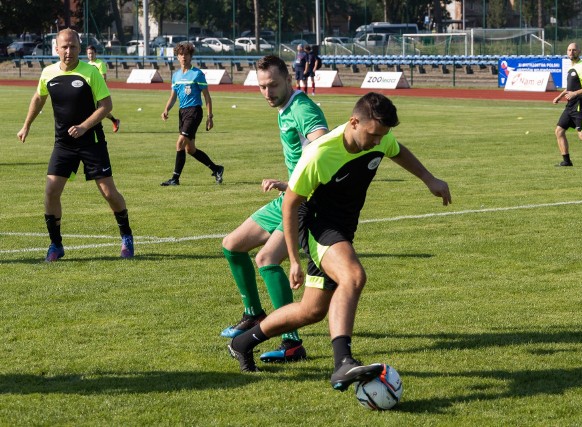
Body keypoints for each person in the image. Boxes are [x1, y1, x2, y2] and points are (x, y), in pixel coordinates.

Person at [228, 92, 451, 392]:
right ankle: (342, 362)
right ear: (354, 122)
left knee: (311, 311)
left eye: (381, 136)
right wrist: (293, 259)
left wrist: (429, 179)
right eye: (372, 135)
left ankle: (242, 342)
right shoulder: (320, 154)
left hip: (343, 227)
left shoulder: (380, 137)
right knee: (354, 276)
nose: (377, 142)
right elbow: (290, 205)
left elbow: (397, 150)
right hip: (318, 223)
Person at [221, 55, 328, 363]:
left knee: (266, 259)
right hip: (290, 195)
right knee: (232, 245)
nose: (267, 92)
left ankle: (291, 343)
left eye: (273, 85)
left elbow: (321, 145)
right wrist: (288, 183)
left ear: (289, 80)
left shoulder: (303, 108)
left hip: (305, 200)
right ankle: (254, 315)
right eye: (262, 87)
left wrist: (296, 184)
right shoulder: (285, 109)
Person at [16, 29, 134, 262]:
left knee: (109, 193)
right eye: (64, 47)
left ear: (79, 48)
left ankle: (127, 236)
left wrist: (83, 126)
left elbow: (106, 105)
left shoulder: (91, 72)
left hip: (92, 142)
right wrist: (26, 125)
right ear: (56, 49)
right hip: (63, 144)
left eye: (73, 47)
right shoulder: (48, 73)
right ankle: (56, 245)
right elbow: (39, 98)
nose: (68, 51)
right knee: (51, 192)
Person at [160, 41, 224, 186]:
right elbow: (173, 96)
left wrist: (210, 116)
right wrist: (166, 110)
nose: (184, 57)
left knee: (180, 143)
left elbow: (207, 96)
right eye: (181, 54)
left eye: (186, 54)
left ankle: (175, 179)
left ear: (191, 56)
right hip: (182, 112)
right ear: (177, 57)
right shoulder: (175, 76)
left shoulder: (197, 74)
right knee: (190, 149)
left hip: (194, 111)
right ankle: (217, 168)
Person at [86, 44, 121, 133]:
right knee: (97, 109)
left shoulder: (100, 63)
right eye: (89, 53)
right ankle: (114, 121)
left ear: (95, 53)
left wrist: (100, 90)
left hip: (98, 91)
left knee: (99, 109)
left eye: (92, 53)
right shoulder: (88, 64)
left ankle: (96, 127)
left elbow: (103, 77)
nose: (90, 55)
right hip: (90, 91)